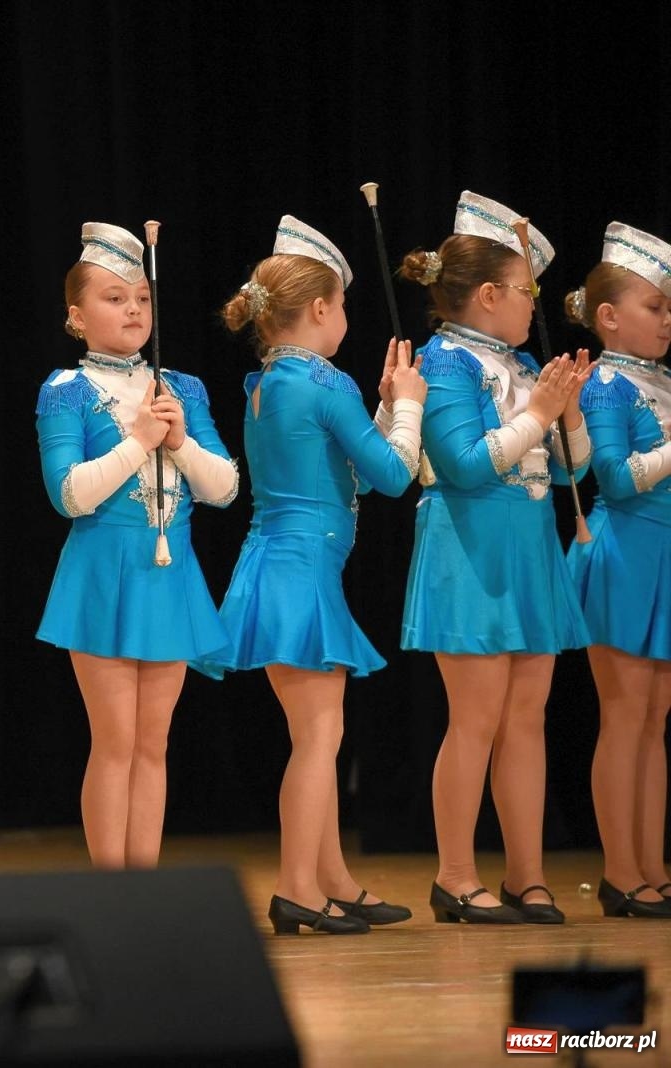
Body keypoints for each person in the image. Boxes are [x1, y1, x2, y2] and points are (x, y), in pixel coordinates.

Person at [209, 216, 423, 934]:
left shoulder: (270, 382)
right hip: (296, 572)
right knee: (318, 738)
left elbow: (341, 468)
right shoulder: (325, 382)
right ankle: (297, 887)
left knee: (319, 735)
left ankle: (333, 880)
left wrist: (385, 407)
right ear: (324, 308)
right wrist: (409, 406)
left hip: (279, 567)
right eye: (345, 305)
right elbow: (392, 475)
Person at [398, 191, 593, 925]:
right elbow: (464, 463)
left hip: (528, 549)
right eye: (525, 290)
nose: (531, 304)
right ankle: (454, 875)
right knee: (475, 719)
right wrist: (539, 414)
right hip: (470, 549)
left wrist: (568, 414)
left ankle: (526, 875)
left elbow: (573, 469)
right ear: (487, 294)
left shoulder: (525, 364)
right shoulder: (445, 362)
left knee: (526, 719)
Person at [35, 221, 238, 869]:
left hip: (169, 574)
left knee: (154, 743)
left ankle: (143, 885)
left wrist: (179, 441)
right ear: (76, 316)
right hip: (103, 574)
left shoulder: (183, 389)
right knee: (116, 740)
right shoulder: (66, 391)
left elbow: (225, 488)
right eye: (114, 297)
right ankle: (110, 888)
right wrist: (139, 441)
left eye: (142, 298)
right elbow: (69, 494)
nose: (132, 309)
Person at [562, 222, 671, 918]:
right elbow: (615, 477)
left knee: (655, 719)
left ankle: (652, 866)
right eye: (655, 307)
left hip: (662, 554)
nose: (667, 321)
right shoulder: (606, 384)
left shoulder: (662, 382)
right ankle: (621, 872)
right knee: (626, 716)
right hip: (623, 552)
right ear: (608, 317)